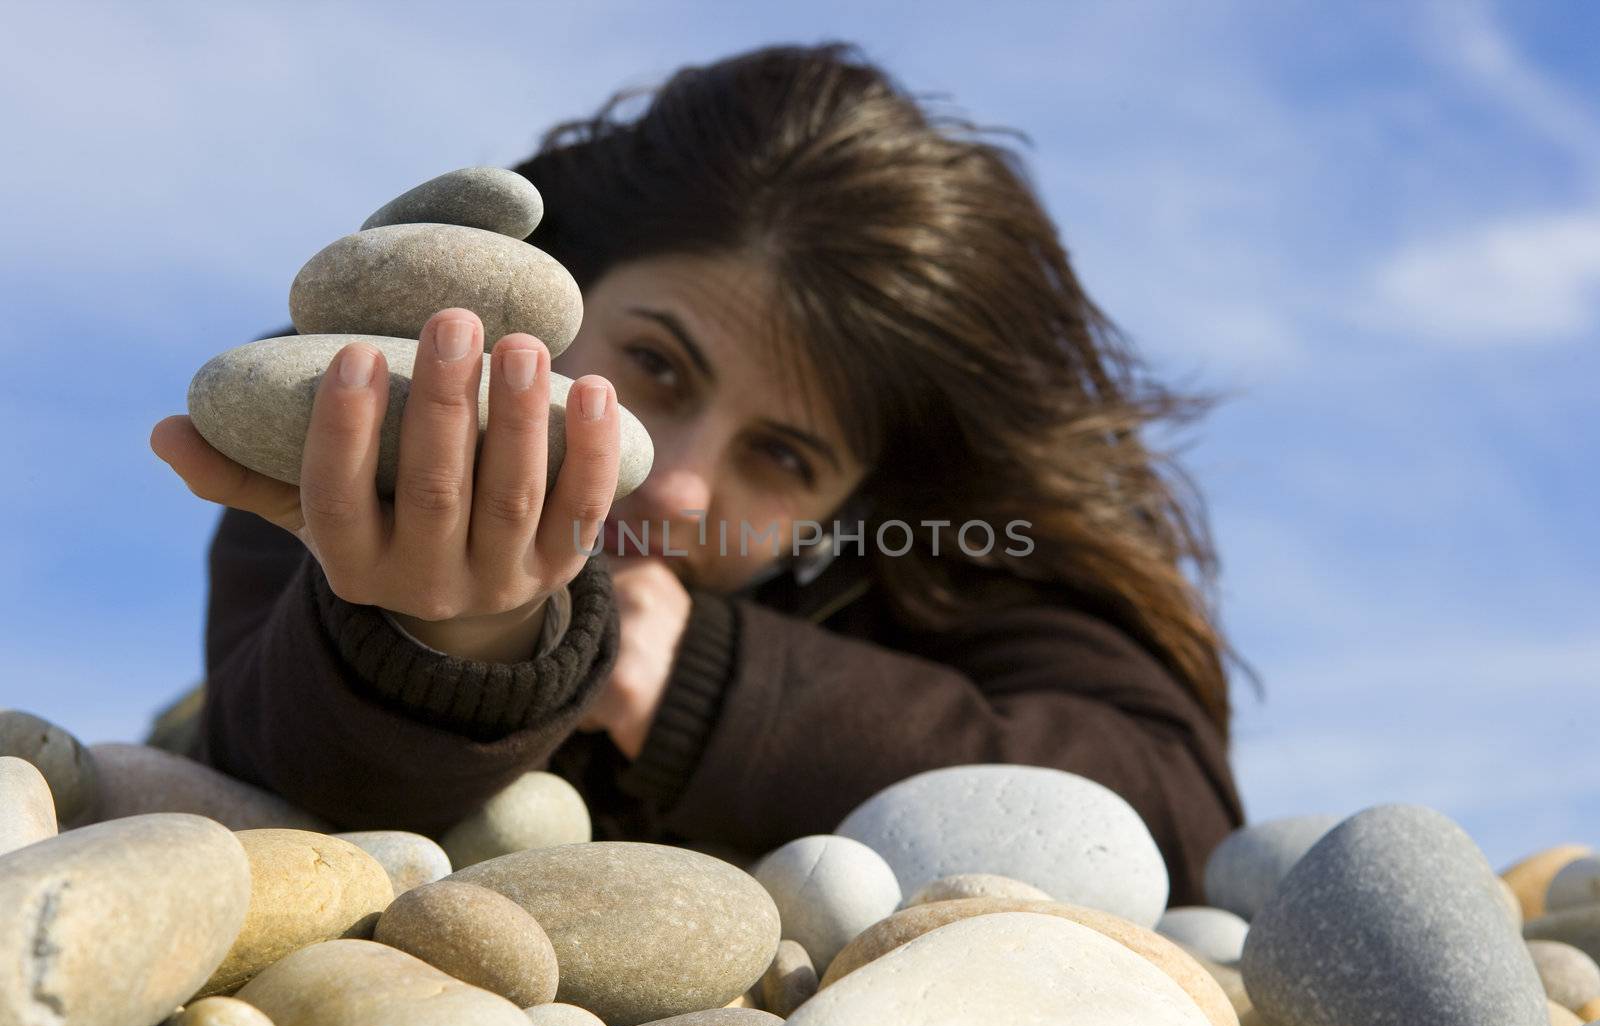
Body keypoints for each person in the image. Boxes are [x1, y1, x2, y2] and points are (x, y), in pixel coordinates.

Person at [148, 41, 1249, 904]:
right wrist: (459, 639)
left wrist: (703, 682)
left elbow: (1168, 818)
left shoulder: (928, 557)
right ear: (561, 287)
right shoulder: (375, 411)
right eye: (658, 366)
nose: (675, 487)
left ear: (858, 499)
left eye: (782, 455)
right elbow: (292, 778)